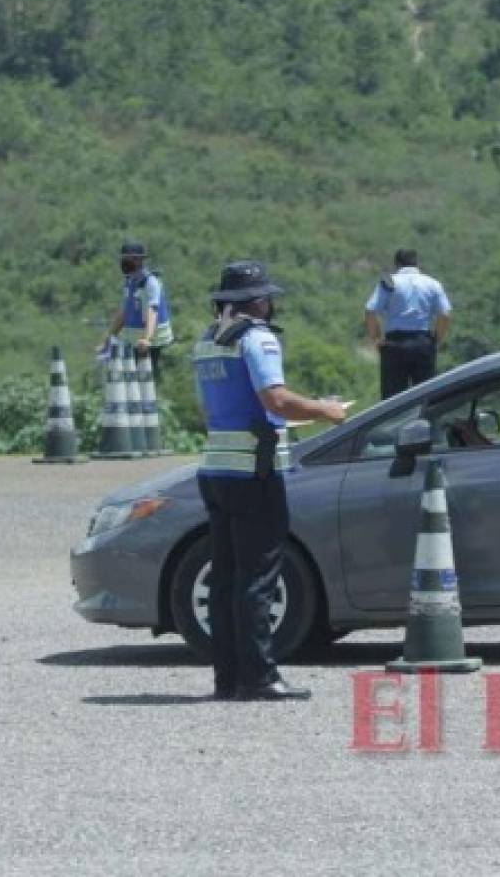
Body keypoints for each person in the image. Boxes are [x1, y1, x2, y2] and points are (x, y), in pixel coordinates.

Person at [193, 260, 351, 702]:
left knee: (224, 579)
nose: (270, 303)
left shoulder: (206, 342)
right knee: (258, 578)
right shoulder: (257, 339)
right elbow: (276, 400)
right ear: (256, 301)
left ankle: (228, 678)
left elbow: (210, 410)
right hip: (253, 471)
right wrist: (325, 410)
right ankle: (260, 677)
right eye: (266, 296)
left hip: (216, 468)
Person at [364, 248, 451, 399]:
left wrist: (376, 339)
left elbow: (370, 311)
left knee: (392, 399)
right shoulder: (433, 284)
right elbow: (444, 314)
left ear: (397, 264)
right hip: (422, 342)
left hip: (395, 343)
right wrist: (436, 340)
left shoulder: (389, 282)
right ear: (417, 263)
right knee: (426, 397)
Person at [99, 240, 175, 381]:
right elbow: (124, 312)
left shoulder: (150, 283)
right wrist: (110, 337)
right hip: (136, 343)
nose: (126, 262)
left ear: (140, 260)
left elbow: (152, 312)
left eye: (131, 259)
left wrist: (146, 339)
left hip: (156, 342)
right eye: (125, 258)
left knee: (149, 382)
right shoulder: (129, 281)